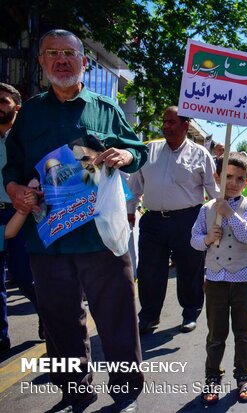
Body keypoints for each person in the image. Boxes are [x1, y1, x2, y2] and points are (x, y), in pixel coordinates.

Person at [3, 29, 147, 413]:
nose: (61, 60)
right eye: (52, 53)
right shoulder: (30, 113)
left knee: (116, 316)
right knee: (59, 321)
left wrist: (126, 156)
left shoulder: (106, 107)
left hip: (101, 236)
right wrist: (15, 187)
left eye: (69, 53)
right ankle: (75, 391)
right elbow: (13, 165)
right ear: (41, 61)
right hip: (48, 238)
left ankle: (126, 391)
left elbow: (137, 148)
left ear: (84, 60)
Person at [128, 106, 217, 334]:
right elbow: (135, 185)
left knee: (190, 270)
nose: (165, 126)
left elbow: (213, 190)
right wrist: (130, 211)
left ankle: (190, 312)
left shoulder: (201, 155)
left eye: (171, 122)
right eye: (164, 122)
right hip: (153, 222)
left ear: (186, 125)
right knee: (149, 272)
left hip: (188, 221)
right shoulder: (149, 151)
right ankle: (149, 316)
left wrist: (223, 215)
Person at [190, 153, 247, 405]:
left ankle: (243, 376)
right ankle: (212, 377)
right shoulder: (206, 209)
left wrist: (229, 212)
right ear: (217, 177)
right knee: (216, 333)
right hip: (216, 279)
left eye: (239, 178)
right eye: (228, 176)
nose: (233, 183)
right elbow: (194, 240)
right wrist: (207, 239)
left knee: (243, 331)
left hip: (243, 279)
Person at [0, 83, 43, 356]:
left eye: (3, 101)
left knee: (26, 275)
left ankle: (47, 313)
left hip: (20, 214)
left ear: (17, 107)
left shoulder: (27, 138)